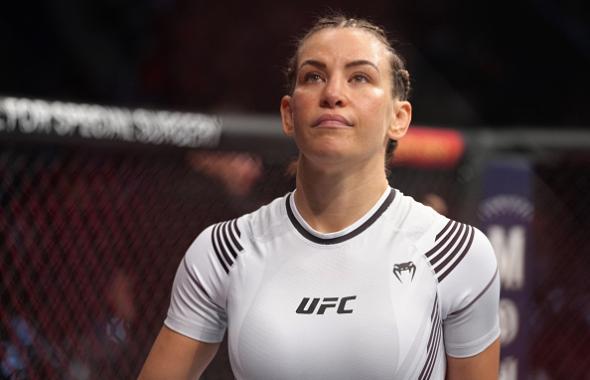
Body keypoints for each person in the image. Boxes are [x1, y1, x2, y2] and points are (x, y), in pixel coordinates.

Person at [139, 14, 500, 380]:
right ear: (288, 113)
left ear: (399, 118)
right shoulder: (223, 249)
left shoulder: (456, 252)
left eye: (360, 77)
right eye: (313, 76)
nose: (333, 94)